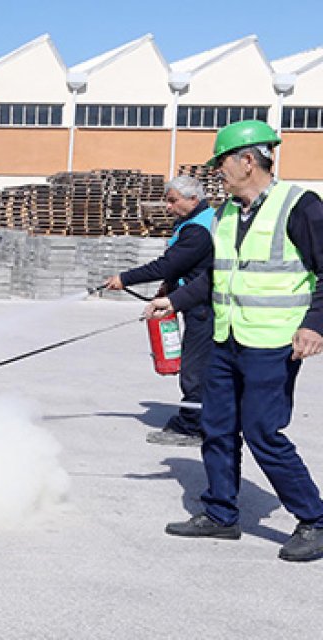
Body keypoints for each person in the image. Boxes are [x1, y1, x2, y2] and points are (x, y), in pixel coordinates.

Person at [148, 120, 323, 562]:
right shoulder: (226, 214)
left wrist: (315, 324)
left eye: (221, 162)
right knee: (217, 427)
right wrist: (177, 302)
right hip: (226, 339)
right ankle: (221, 514)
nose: (217, 172)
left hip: (272, 343)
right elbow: (214, 275)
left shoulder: (300, 206)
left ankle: (315, 520)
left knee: (263, 432)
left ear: (248, 161)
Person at [104, 175, 214, 447]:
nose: (168, 206)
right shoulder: (194, 221)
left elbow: (167, 264)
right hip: (193, 300)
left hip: (204, 307)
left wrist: (124, 279)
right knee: (199, 367)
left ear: (193, 199)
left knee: (194, 369)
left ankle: (192, 427)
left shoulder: (198, 229)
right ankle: (202, 420)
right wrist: (167, 288)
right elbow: (181, 266)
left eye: (172, 200)